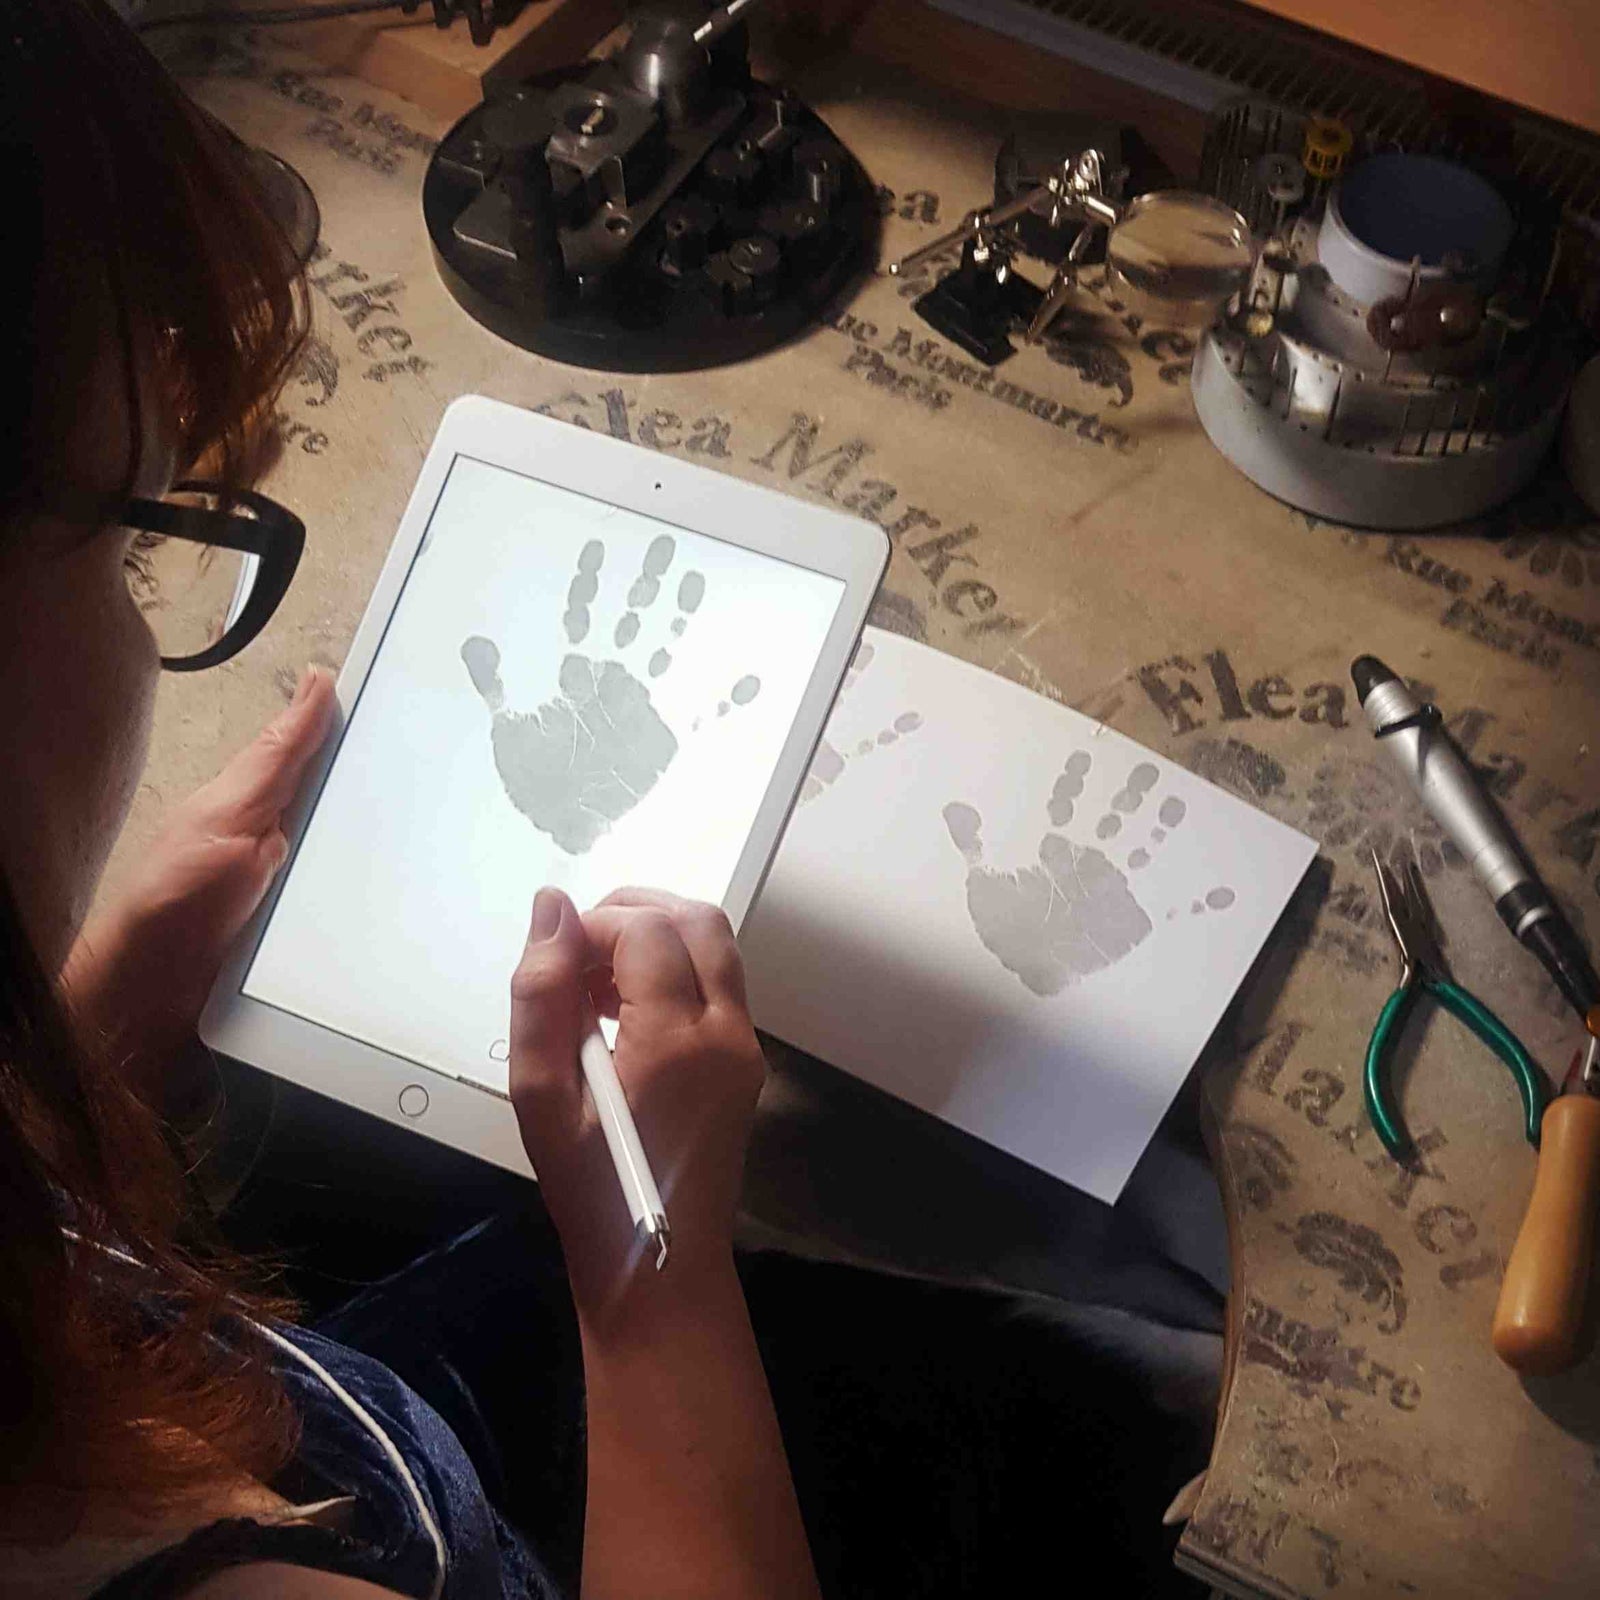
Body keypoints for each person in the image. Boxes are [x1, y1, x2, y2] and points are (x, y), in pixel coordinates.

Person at [1, 6, 1215, 1597]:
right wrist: (651, 1276)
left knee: (513, 1257)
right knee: (1008, 1403)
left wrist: (85, 1060)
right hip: (425, 1522)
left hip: (311, 1394)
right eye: (129, 544)